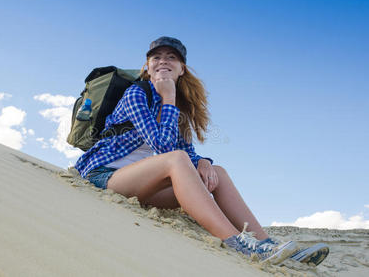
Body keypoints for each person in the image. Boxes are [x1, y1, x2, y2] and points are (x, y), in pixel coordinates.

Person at [75, 36, 328, 265]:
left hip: (139, 185)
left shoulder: (179, 110)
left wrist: (203, 162)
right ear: (147, 66)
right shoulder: (136, 94)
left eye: (171, 58)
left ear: (182, 68)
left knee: (216, 171)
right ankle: (237, 242)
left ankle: (266, 243)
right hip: (103, 175)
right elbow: (163, 148)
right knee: (176, 160)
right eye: (156, 57)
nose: (163, 61)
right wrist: (168, 99)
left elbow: (187, 151)